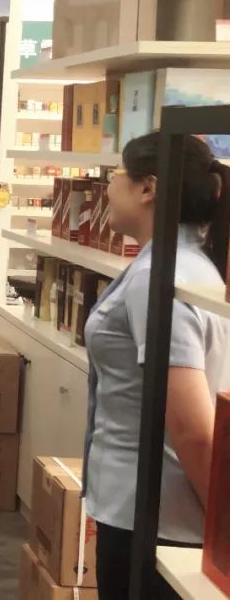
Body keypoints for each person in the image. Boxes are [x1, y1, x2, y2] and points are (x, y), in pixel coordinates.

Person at [82, 132, 230, 600]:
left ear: (148, 188)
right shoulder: (189, 263)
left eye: (115, 175)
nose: (107, 187)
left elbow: (193, 429)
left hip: (152, 519)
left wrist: (224, 529)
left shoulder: (157, 277)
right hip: (151, 511)